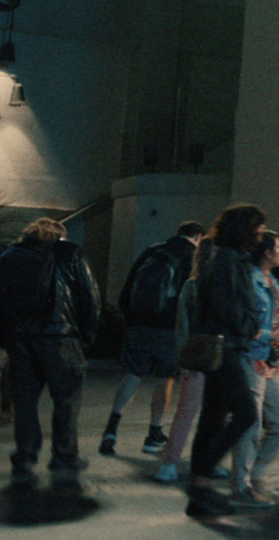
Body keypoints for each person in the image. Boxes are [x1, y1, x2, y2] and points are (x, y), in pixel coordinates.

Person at [0, 217, 101, 488]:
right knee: (66, 400)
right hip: (61, 337)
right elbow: (90, 297)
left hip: (20, 339)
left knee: (25, 401)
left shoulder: (9, 255)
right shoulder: (70, 253)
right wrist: (86, 338)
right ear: (60, 235)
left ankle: (25, 456)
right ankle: (64, 456)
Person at [185, 204, 269, 517]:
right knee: (246, 413)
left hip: (226, 344)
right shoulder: (227, 260)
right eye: (256, 230)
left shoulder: (224, 257)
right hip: (226, 345)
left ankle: (200, 493)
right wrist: (249, 327)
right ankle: (200, 482)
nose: (259, 237)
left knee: (212, 419)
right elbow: (226, 304)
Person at [102, 221, 201, 457]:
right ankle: (153, 433)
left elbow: (128, 287)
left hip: (139, 325)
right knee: (164, 379)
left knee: (132, 374)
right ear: (198, 236)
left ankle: (111, 429)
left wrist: (130, 317)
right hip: (168, 329)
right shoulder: (191, 257)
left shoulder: (153, 251)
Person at [229, 230, 279, 507]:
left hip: (272, 360)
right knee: (250, 426)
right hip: (251, 357)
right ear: (267, 253)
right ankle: (241, 486)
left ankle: (253, 473)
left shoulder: (273, 281)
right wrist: (271, 336)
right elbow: (243, 324)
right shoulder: (249, 280)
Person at [153, 234, 218, 482]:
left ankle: (182, 463)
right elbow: (183, 326)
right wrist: (185, 359)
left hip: (202, 355)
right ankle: (171, 462)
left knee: (198, 413)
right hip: (202, 356)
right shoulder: (196, 286)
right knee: (191, 412)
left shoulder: (194, 284)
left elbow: (182, 326)